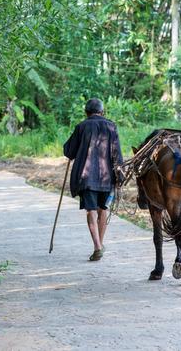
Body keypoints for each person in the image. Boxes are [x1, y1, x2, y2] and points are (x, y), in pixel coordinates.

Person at [63, 98, 123, 261]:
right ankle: (100, 244)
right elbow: (116, 153)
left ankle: (97, 245)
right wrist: (120, 174)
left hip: (86, 176)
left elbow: (69, 151)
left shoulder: (81, 127)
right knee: (103, 209)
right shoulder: (111, 126)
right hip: (106, 177)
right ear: (102, 112)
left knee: (90, 210)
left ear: (86, 112)